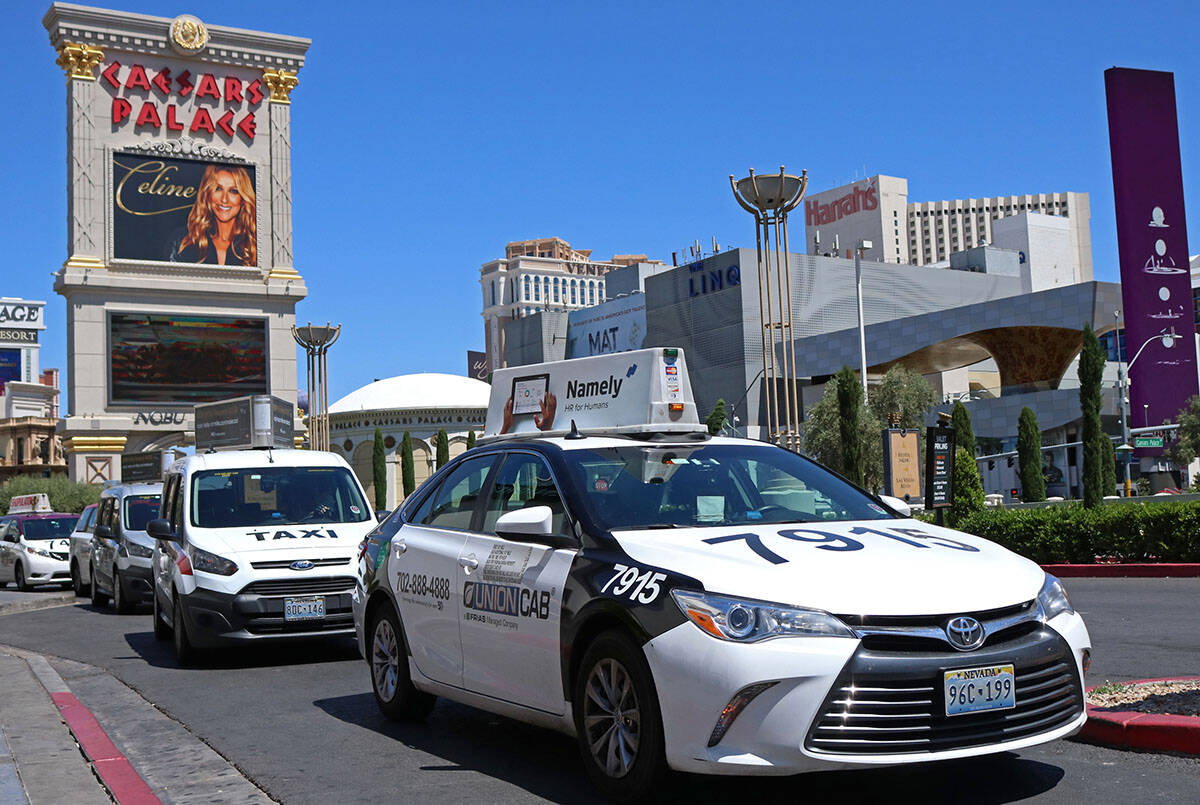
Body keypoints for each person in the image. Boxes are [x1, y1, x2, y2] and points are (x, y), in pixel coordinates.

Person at [170, 165, 257, 266]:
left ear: (242, 198)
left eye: (233, 191)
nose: (224, 199)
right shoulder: (182, 240)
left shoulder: (255, 245)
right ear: (207, 194)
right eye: (218, 189)